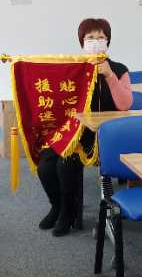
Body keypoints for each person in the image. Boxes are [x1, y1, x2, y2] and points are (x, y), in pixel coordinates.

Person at [36, 18, 132, 237]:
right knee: (45, 164)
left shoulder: (119, 69)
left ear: (108, 41)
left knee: (66, 162)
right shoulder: (73, 69)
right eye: (90, 38)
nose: (96, 41)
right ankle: (57, 206)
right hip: (75, 132)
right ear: (82, 43)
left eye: (101, 37)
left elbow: (125, 104)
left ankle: (68, 212)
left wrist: (109, 75)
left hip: (105, 136)